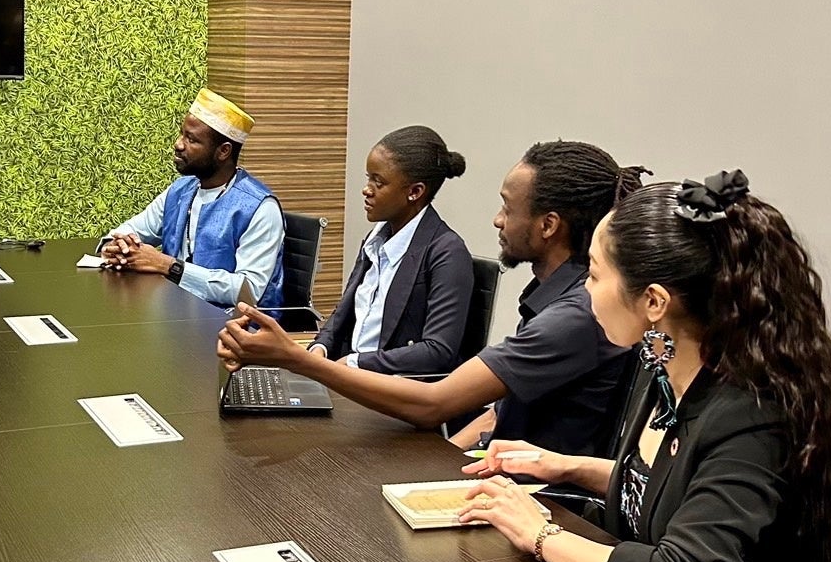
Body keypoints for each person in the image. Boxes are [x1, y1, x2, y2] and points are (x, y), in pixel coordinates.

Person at [459, 171, 831, 562]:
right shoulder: (663, 364)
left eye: (594, 275)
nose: (585, 290)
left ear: (654, 301)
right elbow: (668, 486)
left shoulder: (751, 415)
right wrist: (568, 466)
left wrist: (539, 534)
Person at [219, 140, 640, 456]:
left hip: (538, 502)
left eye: (508, 208)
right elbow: (501, 410)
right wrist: (448, 460)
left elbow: (434, 404)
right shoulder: (554, 298)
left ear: (548, 225)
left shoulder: (574, 316)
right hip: (498, 473)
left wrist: (298, 359)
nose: (497, 220)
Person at [310, 125, 474, 374]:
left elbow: (437, 350)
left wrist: (355, 363)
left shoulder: (447, 252)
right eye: (368, 178)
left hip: (391, 385)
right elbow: (344, 312)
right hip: (349, 374)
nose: (366, 189)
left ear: (415, 192)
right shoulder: (375, 239)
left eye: (378, 182)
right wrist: (320, 347)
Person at [102, 88, 286, 307]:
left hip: (233, 323)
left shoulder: (260, 207)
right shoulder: (182, 190)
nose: (178, 144)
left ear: (223, 151)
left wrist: (169, 266)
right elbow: (130, 230)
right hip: (177, 313)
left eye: (191, 139)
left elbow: (248, 291)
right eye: (182, 134)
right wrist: (117, 247)